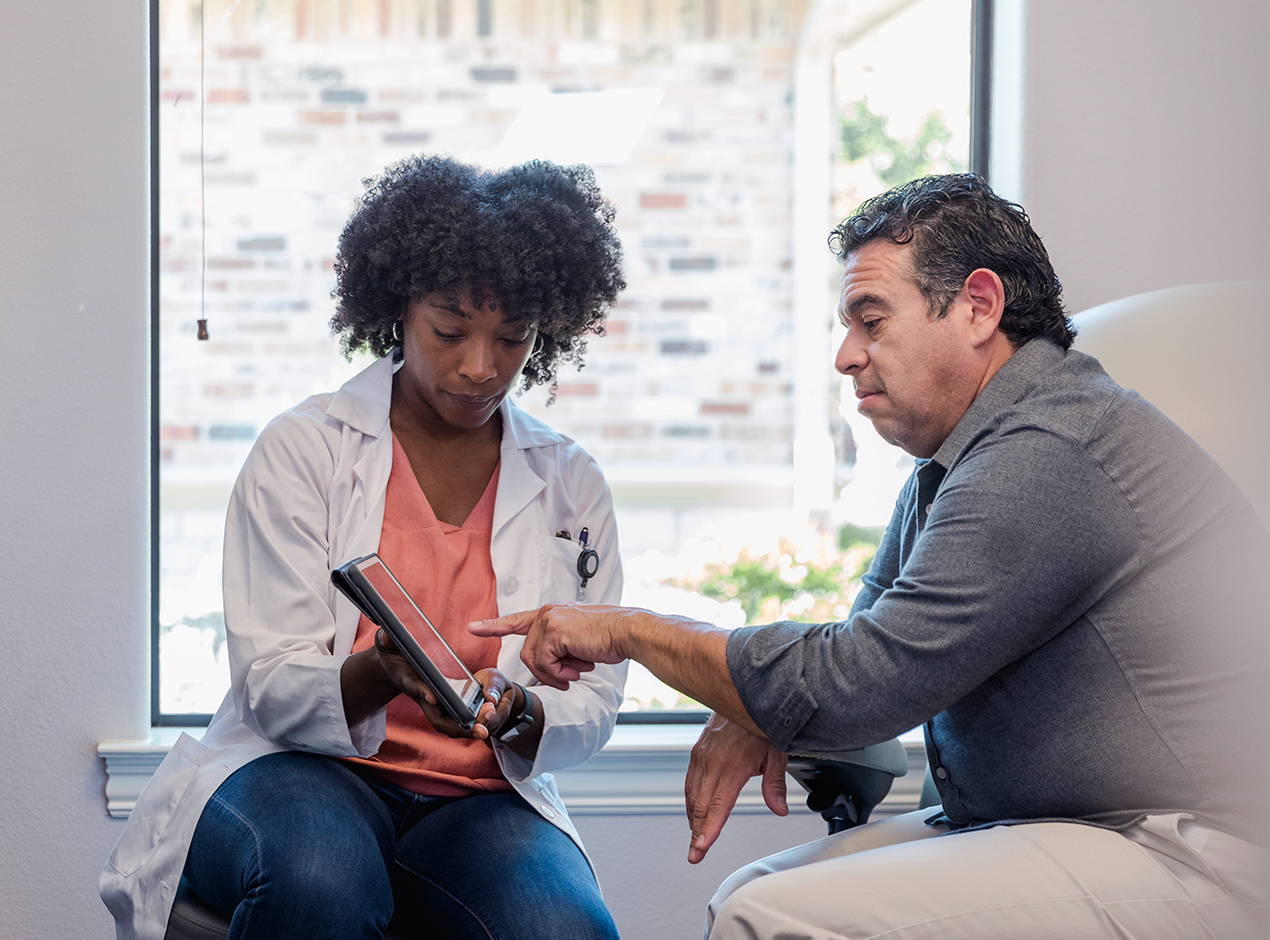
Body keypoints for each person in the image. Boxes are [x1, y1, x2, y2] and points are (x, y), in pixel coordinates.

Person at [473, 174, 1270, 939]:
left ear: (978, 306)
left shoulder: (1047, 451)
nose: (846, 356)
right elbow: (867, 646)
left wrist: (627, 630)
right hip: (1065, 825)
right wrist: (766, 709)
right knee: (750, 894)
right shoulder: (958, 460)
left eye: (871, 319)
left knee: (776, 920)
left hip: (1196, 851)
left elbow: (854, 687)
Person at [100, 154, 630, 940]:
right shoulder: (305, 451)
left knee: (563, 927)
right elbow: (270, 682)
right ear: (398, 307)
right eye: (449, 330)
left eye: (512, 338)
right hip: (300, 772)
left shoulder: (571, 482)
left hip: (479, 799)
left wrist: (521, 713)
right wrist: (377, 676)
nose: (480, 367)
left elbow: (594, 701)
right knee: (318, 884)